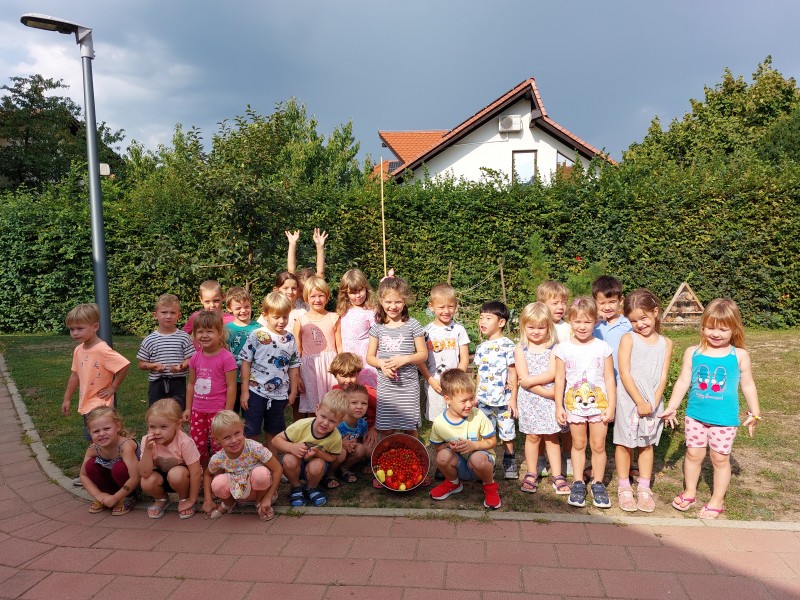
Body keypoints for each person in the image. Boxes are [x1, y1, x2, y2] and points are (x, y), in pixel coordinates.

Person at [661, 298, 760, 520]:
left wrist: (754, 412)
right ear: (702, 326)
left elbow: (748, 384)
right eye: (710, 327)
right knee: (693, 454)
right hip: (695, 416)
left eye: (723, 329)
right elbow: (683, 381)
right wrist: (672, 406)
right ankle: (690, 492)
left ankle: (717, 500)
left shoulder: (739, 356)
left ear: (734, 329)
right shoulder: (693, 352)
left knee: (720, 459)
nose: (715, 334)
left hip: (724, 420)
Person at [614, 289, 673, 512]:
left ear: (655, 312)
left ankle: (644, 486)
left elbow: (663, 375)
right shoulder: (628, 339)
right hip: (629, 400)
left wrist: (654, 402)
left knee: (646, 444)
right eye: (633, 321)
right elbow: (625, 372)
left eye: (643, 318)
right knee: (625, 442)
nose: (639, 324)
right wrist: (639, 401)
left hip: (652, 402)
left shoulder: (666, 343)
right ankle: (624, 486)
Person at [554, 296, 616, 509]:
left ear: (595, 322)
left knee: (598, 445)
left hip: (600, 405)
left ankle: (598, 483)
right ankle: (578, 482)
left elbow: (609, 378)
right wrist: (559, 406)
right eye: (578, 321)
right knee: (578, 444)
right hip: (574, 406)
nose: (582, 326)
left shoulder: (603, 348)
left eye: (587, 322)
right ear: (570, 321)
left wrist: (611, 406)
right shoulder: (563, 349)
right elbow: (560, 379)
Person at [514, 302, 568, 495]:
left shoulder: (554, 348)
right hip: (530, 400)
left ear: (548, 327)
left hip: (550, 401)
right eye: (531, 327)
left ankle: (557, 475)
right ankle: (531, 472)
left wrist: (531, 382)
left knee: (552, 437)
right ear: (523, 326)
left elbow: (552, 373)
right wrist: (545, 391)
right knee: (532, 436)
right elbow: (522, 378)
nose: (536, 332)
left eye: (541, 327)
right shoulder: (520, 348)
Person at [366, 274, 428, 437]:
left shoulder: (413, 325)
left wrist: (405, 359)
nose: (393, 306)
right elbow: (370, 357)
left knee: (410, 428)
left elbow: (423, 354)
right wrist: (381, 364)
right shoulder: (377, 328)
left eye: (398, 302)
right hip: (386, 387)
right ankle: (388, 453)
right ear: (381, 301)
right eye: (388, 302)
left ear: (405, 301)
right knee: (386, 428)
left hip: (408, 386)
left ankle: (413, 452)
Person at [429, 369, 501, 509]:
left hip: (481, 466)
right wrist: (448, 446)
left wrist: (474, 446)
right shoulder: (439, 423)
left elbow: (493, 441)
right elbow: (438, 448)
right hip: (460, 466)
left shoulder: (478, 415)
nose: (469, 404)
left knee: (477, 458)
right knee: (442, 456)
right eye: (463, 401)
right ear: (447, 399)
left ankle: (489, 486)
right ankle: (453, 483)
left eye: (471, 398)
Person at [239, 292, 300, 454]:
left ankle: (272, 462)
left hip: (279, 395)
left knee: (274, 432)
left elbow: (294, 366)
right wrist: (244, 391)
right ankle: (250, 460)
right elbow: (246, 363)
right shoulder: (256, 335)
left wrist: (293, 392)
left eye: (285, 317)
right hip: (255, 392)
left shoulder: (291, 339)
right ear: (265, 315)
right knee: (251, 430)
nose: (281, 321)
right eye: (276, 317)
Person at [273, 389, 348, 507]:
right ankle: (296, 487)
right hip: (295, 464)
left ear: (340, 422)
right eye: (323, 416)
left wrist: (318, 453)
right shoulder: (302, 425)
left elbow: (333, 458)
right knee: (288, 459)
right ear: (317, 409)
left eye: (332, 421)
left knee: (318, 464)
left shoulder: (336, 437)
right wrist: (292, 447)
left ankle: (312, 487)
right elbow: (276, 440)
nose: (325, 423)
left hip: (316, 469)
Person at [203, 410, 283, 521]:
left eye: (237, 433)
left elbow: (277, 469)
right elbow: (207, 475)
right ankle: (229, 505)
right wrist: (208, 500)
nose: (234, 440)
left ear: (242, 429)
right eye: (227, 437)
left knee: (261, 474)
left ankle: (260, 503)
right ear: (216, 440)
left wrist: (268, 496)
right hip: (238, 495)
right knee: (217, 482)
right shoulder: (219, 457)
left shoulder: (254, 448)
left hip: (261, 492)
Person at [62, 303, 130, 431]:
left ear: (95, 327)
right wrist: (67, 398)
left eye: (79, 328)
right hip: (86, 402)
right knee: (93, 435)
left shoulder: (102, 350)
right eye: (71, 329)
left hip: (101, 404)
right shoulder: (78, 350)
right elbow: (75, 375)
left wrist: (113, 387)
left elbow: (124, 365)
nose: (75, 333)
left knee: (102, 435)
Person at [183, 310, 237, 468]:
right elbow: (191, 384)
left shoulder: (226, 358)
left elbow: (231, 386)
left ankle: (221, 472)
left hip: (218, 412)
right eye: (200, 332)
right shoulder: (195, 357)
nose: (204, 335)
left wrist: (228, 411)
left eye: (209, 331)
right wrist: (188, 408)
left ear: (220, 333)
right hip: (198, 411)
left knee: (219, 444)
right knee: (197, 445)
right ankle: (202, 472)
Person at [473, 300, 518, 479]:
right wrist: (476, 395)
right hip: (484, 399)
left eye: (488, 318)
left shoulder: (509, 346)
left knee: (507, 431)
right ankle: (487, 462)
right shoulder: (481, 347)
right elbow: (479, 373)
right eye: (481, 317)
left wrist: (513, 398)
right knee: (486, 431)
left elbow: (513, 373)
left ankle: (509, 459)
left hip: (504, 399)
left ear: (501, 322)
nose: (482, 321)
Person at [138, 398, 202, 519]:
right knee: (146, 481)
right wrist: (147, 450)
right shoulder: (147, 441)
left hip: (182, 480)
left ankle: (184, 498)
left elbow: (196, 472)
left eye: (163, 427)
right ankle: (161, 498)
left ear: (177, 424)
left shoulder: (184, 442)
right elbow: (144, 473)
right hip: (161, 479)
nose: (157, 432)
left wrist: (192, 499)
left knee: (176, 474)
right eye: (152, 427)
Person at [536, 280, 572, 477]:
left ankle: (567, 457)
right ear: (542, 304)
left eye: (563, 302)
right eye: (555, 303)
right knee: (543, 425)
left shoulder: (569, 328)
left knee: (566, 425)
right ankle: (541, 458)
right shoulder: (538, 327)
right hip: (543, 382)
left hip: (566, 382)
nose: (560, 307)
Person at [419, 283, 470, 422]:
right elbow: (420, 361)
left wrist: (457, 379)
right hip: (435, 383)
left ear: (456, 306)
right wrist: (430, 379)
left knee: (457, 416)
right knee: (438, 420)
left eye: (450, 306)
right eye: (441, 307)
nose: (446, 311)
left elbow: (464, 359)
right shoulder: (425, 332)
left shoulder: (459, 330)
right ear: (431, 306)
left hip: (455, 383)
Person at [137, 294, 195, 409]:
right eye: (164, 312)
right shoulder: (149, 340)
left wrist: (181, 366)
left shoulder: (184, 337)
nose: (168, 316)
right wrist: (153, 366)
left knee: (178, 411)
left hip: (178, 382)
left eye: (173, 313)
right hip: (157, 383)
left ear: (179, 316)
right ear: (155, 315)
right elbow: (141, 364)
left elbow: (191, 358)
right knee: (156, 411)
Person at [79, 406, 139, 515]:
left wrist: (116, 498)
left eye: (106, 429)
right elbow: (83, 475)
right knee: (90, 465)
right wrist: (98, 495)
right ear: (90, 433)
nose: (101, 434)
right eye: (96, 431)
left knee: (119, 468)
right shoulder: (93, 449)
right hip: (112, 482)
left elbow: (135, 477)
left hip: (133, 484)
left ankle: (129, 497)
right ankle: (106, 494)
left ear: (118, 427)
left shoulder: (125, 446)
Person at [294, 276, 339, 417]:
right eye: (313, 296)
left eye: (321, 295)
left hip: (331, 367)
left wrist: (341, 369)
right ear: (306, 298)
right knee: (313, 408)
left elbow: (340, 347)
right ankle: (313, 431)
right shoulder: (300, 320)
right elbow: (297, 351)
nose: (317, 300)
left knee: (334, 406)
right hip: (309, 369)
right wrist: (297, 376)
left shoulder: (334, 317)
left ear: (327, 296)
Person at [329, 352, 379, 455]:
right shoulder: (335, 391)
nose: (348, 380)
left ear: (358, 373)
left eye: (352, 376)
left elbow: (385, 408)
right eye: (344, 376)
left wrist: (374, 429)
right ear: (335, 375)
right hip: (342, 432)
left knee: (368, 450)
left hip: (366, 430)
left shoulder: (366, 392)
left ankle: (367, 459)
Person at [334, 268, 377, 388]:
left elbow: (378, 336)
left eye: (361, 290)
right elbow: (339, 337)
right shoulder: (342, 311)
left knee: (367, 390)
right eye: (353, 292)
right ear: (346, 294)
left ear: (366, 289)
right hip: (348, 360)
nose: (358, 295)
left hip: (365, 360)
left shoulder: (370, 312)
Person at [224, 287, 261, 414]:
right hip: (231, 379)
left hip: (252, 379)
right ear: (229, 308)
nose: (243, 311)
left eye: (247, 307)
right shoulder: (226, 329)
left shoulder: (258, 328)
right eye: (238, 308)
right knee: (230, 413)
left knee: (249, 414)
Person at [329, 384, 371, 487]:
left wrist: (356, 442)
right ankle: (329, 473)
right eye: (354, 403)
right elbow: (325, 441)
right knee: (342, 452)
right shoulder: (337, 422)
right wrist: (341, 443)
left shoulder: (362, 424)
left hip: (349, 452)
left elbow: (360, 439)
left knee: (361, 448)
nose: (359, 407)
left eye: (364, 403)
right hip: (332, 453)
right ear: (345, 404)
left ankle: (344, 468)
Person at [592, 276, 633, 377]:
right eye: (602, 303)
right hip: (597, 379)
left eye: (612, 302)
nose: (607, 307)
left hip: (621, 378)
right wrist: (595, 317)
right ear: (595, 302)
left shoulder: (628, 324)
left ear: (621, 300)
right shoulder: (592, 324)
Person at [183, 280, 234, 350]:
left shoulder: (231, 320)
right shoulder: (196, 317)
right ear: (201, 300)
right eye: (207, 302)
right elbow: (183, 336)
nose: (212, 305)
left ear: (223, 297)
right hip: (198, 355)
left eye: (216, 301)